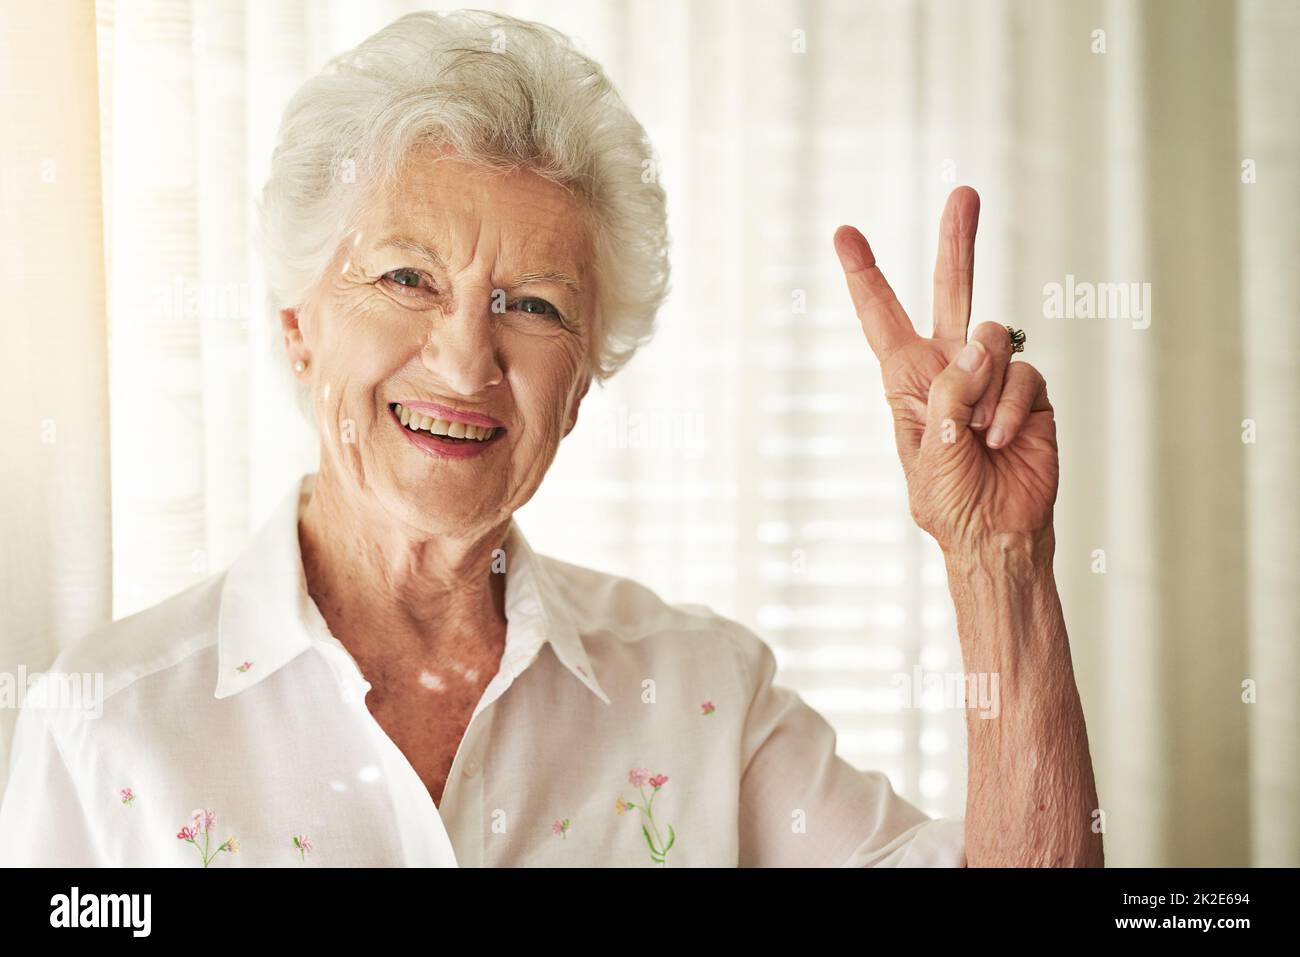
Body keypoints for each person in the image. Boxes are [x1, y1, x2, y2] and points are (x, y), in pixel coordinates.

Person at [0, 9, 1100, 867]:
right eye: (405, 278)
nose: (467, 360)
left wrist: (994, 560)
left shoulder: (702, 692)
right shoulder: (111, 722)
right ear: (298, 327)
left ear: (580, 384)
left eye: (533, 305)